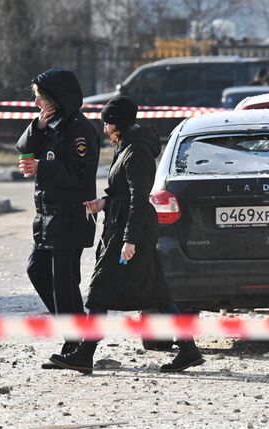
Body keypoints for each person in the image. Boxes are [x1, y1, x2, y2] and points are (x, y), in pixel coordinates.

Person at [49, 95, 206, 374]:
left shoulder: (137, 153)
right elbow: (122, 193)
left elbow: (138, 198)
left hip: (130, 230)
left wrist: (129, 240)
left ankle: (85, 353)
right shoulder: (125, 147)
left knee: (99, 291)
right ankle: (189, 350)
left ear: (117, 124)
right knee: (158, 293)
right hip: (122, 225)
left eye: (108, 123)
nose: (105, 129)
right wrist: (103, 203)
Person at [15, 67, 99, 368]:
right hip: (47, 216)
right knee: (37, 269)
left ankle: (77, 344)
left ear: (57, 98)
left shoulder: (79, 129)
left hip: (70, 215)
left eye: (41, 99)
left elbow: (81, 174)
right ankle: (77, 332)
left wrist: (43, 168)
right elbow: (23, 147)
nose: (37, 104)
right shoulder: (51, 123)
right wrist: (37, 127)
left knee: (64, 282)